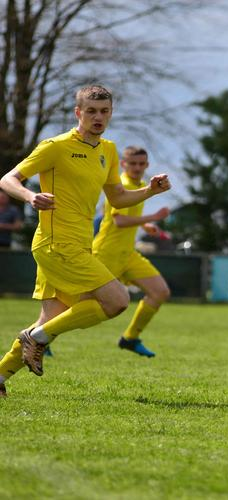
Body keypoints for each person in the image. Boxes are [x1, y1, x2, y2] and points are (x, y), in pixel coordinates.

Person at [0, 85, 171, 397]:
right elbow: (8, 179)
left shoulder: (108, 150)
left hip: (79, 245)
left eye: (104, 111)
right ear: (78, 113)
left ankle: (2, 374)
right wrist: (29, 196)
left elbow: (117, 197)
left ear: (111, 113)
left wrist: (150, 190)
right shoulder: (55, 146)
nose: (98, 117)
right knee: (117, 300)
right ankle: (36, 338)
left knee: (51, 320)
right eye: (91, 111)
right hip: (55, 244)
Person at [92, 146, 172, 358]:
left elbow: (127, 216)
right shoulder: (122, 186)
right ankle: (41, 337)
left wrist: (145, 226)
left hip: (128, 254)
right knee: (79, 302)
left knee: (160, 292)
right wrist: (153, 218)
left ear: (147, 165)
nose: (137, 168)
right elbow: (119, 221)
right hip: (106, 254)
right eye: (133, 163)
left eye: (141, 164)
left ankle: (130, 338)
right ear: (123, 164)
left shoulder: (141, 185)